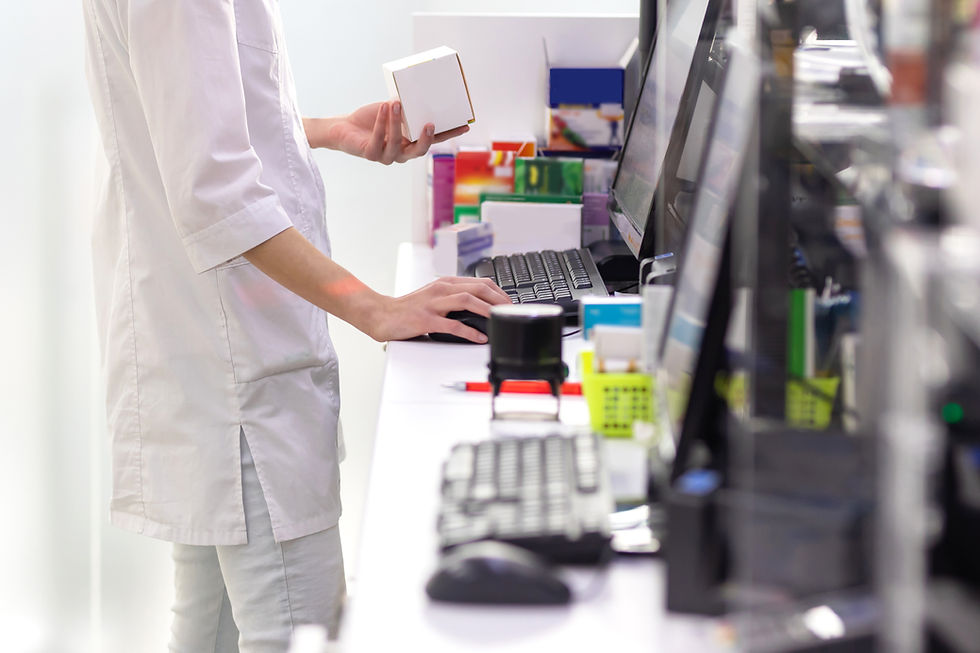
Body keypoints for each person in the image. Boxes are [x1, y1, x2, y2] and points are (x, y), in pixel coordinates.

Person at [82, 1, 508, 651]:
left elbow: (195, 118)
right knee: (294, 627)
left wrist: (333, 129)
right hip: (236, 375)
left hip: (213, 359)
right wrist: (378, 308)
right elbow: (213, 191)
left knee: (210, 626)